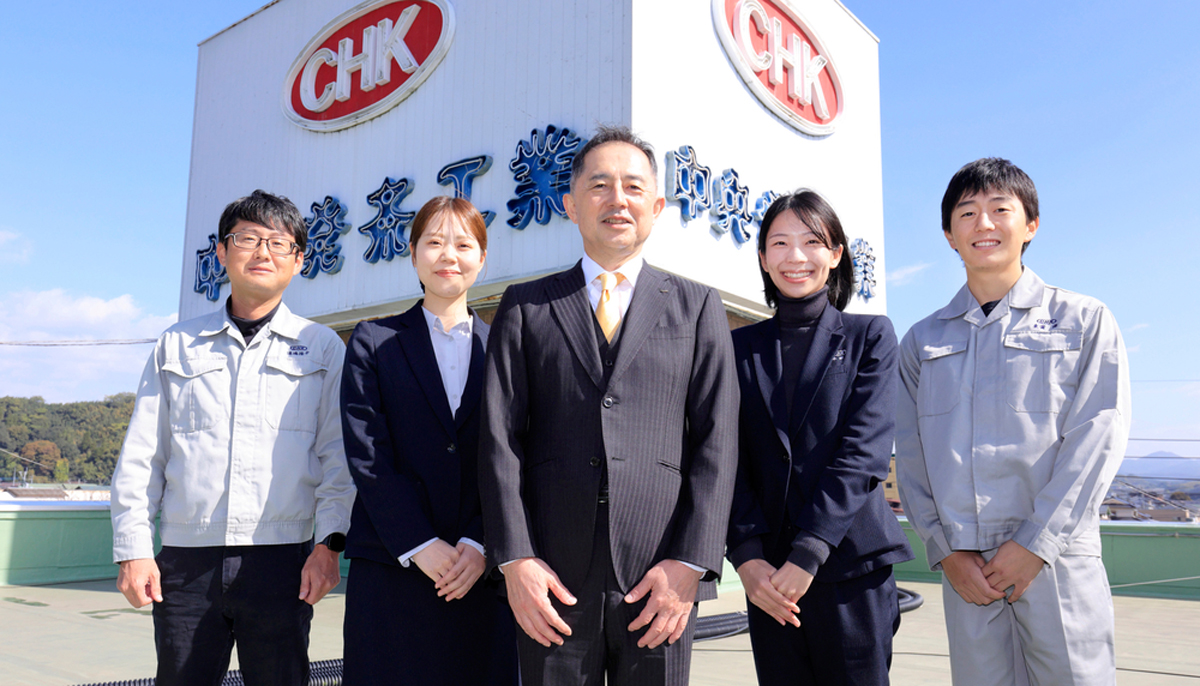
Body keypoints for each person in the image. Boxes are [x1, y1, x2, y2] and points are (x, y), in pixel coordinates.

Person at [479, 125, 739, 686]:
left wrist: (691, 563)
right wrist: (515, 560)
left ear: (657, 207)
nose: (617, 199)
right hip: (550, 575)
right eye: (599, 185)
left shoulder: (698, 306)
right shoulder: (526, 306)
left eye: (633, 186)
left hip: (661, 575)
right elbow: (499, 440)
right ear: (571, 205)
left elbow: (717, 442)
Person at [894, 158, 1131, 685]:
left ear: (1031, 225)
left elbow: (1099, 437)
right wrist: (945, 552)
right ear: (949, 236)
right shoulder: (922, 342)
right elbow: (910, 459)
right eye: (967, 213)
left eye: (1000, 209)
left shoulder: (1084, 320)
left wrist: (1035, 544)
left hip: (1056, 557)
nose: (983, 223)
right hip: (968, 568)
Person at [110, 189, 355, 686]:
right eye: (247, 239)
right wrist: (133, 548)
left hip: (283, 559)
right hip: (186, 561)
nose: (263, 252)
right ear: (222, 252)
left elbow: (338, 457)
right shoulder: (176, 344)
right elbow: (142, 455)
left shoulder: (321, 347)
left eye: (279, 243)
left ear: (299, 261)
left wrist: (329, 547)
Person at [727, 190, 914, 685]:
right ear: (763, 258)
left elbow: (864, 452)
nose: (796, 256)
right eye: (779, 243)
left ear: (835, 254)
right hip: (768, 579)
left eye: (812, 242)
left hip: (850, 566)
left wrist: (808, 553)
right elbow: (725, 458)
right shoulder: (736, 347)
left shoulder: (870, 336)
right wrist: (746, 560)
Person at [339, 196, 517, 685]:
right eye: (434, 242)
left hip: (480, 573)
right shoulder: (373, 341)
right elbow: (367, 454)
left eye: (463, 244)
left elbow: (513, 454)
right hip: (392, 567)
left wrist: (480, 542)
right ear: (413, 254)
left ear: (482, 259)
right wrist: (419, 543)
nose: (448, 255)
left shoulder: (506, 348)